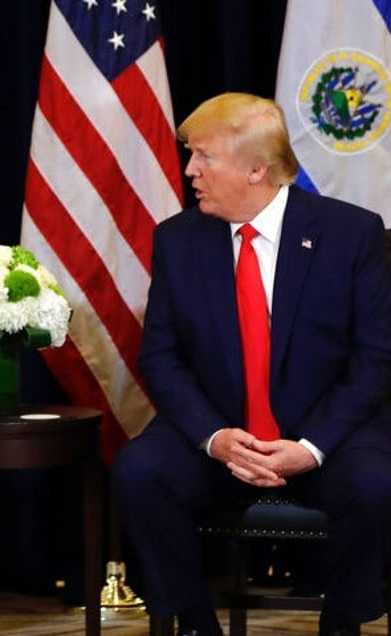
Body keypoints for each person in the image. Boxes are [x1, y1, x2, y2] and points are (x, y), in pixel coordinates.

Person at [112, 92, 391, 636]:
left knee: (376, 482)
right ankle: (193, 622)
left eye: (203, 157)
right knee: (140, 472)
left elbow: (376, 357)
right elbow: (162, 357)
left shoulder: (351, 233)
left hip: (324, 435)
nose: (190, 170)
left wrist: (309, 448)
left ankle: (342, 621)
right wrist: (215, 436)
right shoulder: (178, 238)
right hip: (219, 430)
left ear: (256, 169)